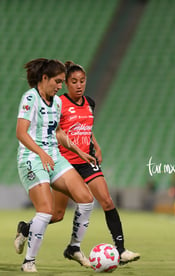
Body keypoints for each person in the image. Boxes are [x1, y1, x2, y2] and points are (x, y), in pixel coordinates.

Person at [52, 61, 139, 264]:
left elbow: (85, 128)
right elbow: (56, 131)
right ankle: (27, 228)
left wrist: (95, 144)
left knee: (107, 201)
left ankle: (121, 250)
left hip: (86, 160)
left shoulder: (90, 102)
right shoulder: (58, 104)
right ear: (66, 83)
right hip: (65, 162)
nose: (79, 85)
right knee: (56, 214)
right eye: (74, 81)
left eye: (82, 81)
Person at [14, 58, 95, 272]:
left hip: (53, 157)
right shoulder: (30, 98)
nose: (60, 87)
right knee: (47, 211)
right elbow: (21, 133)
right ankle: (29, 261)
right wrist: (40, 153)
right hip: (31, 158)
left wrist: (79, 151)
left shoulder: (57, 102)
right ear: (44, 78)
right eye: (58, 82)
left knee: (86, 199)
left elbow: (57, 131)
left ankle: (74, 248)